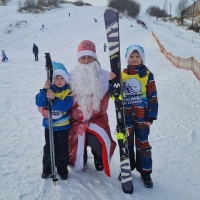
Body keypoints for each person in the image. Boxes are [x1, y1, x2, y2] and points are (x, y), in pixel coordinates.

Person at [68, 40, 117, 177]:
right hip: (76, 123)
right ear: (79, 59)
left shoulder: (106, 76)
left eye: (90, 57)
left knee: (100, 143)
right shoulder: (70, 76)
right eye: (83, 58)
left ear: (95, 58)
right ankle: (81, 156)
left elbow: (118, 94)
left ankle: (98, 157)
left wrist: (115, 81)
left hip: (98, 121)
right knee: (77, 160)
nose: (86, 61)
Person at [121, 45, 158, 188]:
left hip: (142, 116)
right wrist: (112, 82)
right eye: (131, 56)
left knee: (143, 143)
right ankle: (127, 168)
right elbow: (115, 95)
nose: (134, 59)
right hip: (126, 115)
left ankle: (145, 172)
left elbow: (153, 95)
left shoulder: (147, 74)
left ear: (142, 58)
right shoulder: (122, 74)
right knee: (127, 141)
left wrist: (151, 116)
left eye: (137, 56)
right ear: (127, 58)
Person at [36, 62, 73, 180]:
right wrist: (44, 90)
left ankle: (62, 169)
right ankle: (47, 168)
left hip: (63, 127)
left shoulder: (68, 92)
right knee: (49, 147)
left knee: (62, 148)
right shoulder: (48, 90)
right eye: (57, 78)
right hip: (49, 126)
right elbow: (40, 102)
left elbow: (66, 106)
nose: (59, 80)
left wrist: (55, 98)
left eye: (62, 78)